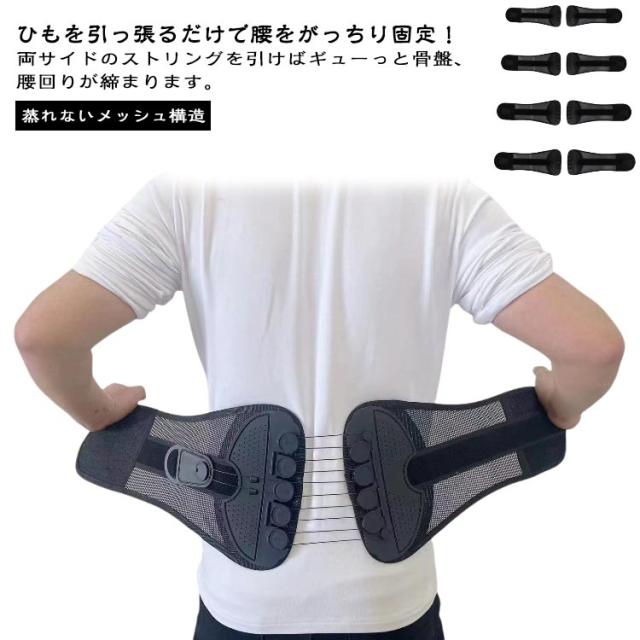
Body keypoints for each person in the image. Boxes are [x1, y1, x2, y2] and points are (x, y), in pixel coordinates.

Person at [15, 174, 624, 639]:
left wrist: (98, 411)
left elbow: (44, 337)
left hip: (244, 601)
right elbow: (593, 350)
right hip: (389, 602)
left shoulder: (188, 191)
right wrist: (560, 404)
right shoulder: (441, 195)